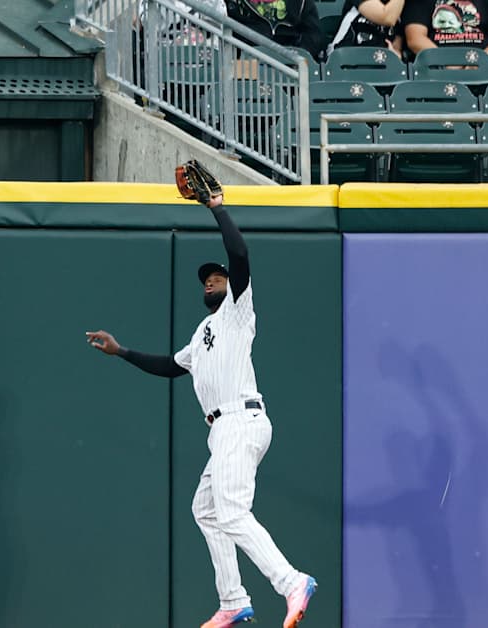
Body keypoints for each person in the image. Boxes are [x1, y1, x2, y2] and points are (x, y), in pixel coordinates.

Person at [85, 172, 318, 628]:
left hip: (241, 420)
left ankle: (291, 581)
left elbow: (241, 254)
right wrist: (123, 352)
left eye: (218, 276)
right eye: (206, 279)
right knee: (206, 510)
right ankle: (233, 601)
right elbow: (171, 366)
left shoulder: (237, 311)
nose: (212, 280)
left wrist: (217, 207)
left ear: (229, 285)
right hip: (223, 430)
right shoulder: (201, 334)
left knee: (231, 511)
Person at [402, 0, 488, 59]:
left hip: (482, 63)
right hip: (437, 65)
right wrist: (446, 60)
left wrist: (478, 60)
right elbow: (415, 40)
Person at [225, 0, 325, 60]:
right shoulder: (232, 4)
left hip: (292, 65)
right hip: (246, 67)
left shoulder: (302, 3)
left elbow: (313, 37)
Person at [327, 0, 406, 56]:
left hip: (381, 64)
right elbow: (387, 18)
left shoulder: (397, 6)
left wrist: (396, 55)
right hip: (345, 61)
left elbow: (397, 44)